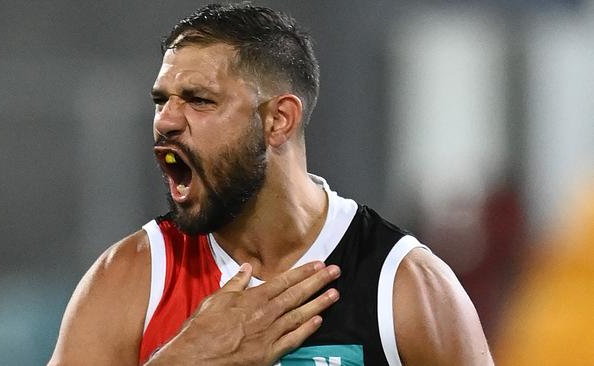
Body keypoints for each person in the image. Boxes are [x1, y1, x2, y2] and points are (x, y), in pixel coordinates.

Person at [49, 3, 493, 366]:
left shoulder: (404, 287)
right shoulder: (131, 278)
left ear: (278, 120)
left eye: (199, 100)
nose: (165, 120)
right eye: (162, 100)